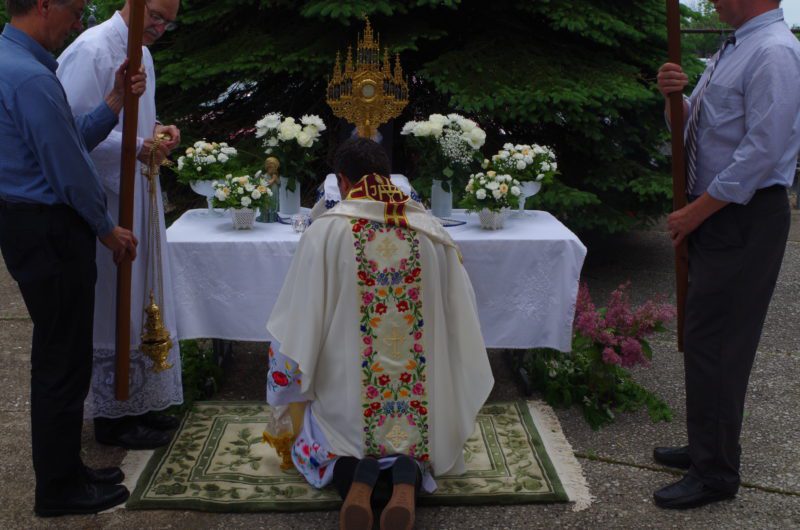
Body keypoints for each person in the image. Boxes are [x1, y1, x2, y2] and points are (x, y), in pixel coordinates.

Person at [266, 138, 494, 530]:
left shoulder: (326, 231)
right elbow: (460, 319)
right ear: (388, 178)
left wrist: (286, 384)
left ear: (343, 181)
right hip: (420, 408)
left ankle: (355, 481)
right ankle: (407, 475)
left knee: (337, 444)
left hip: (347, 404)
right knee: (413, 446)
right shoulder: (429, 230)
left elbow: (298, 321)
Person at [0, 0, 145, 516]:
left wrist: (113, 103)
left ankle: (66, 469)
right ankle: (59, 489)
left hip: (28, 223)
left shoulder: (14, 63)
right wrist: (106, 228)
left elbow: (66, 141)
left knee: (58, 352)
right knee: (62, 360)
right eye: (74, 10)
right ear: (43, 5)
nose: (78, 22)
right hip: (50, 229)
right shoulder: (29, 78)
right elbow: (67, 167)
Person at [654, 0, 800, 510]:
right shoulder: (735, 47)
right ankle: (706, 446)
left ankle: (715, 473)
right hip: (722, 215)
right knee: (704, 337)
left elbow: (762, 151)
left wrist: (696, 212)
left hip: (743, 216)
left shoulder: (774, 51)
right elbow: (695, 131)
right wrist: (674, 99)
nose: (713, 0)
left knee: (719, 344)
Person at [56, 0, 184, 449]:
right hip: (105, 201)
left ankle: (140, 401)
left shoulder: (141, 52)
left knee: (139, 299)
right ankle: (113, 415)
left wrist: (160, 131)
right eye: (156, 16)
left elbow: (138, 120)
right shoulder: (90, 50)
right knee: (114, 300)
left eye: (168, 22)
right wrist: (134, 146)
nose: (160, 28)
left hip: (138, 191)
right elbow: (69, 133)